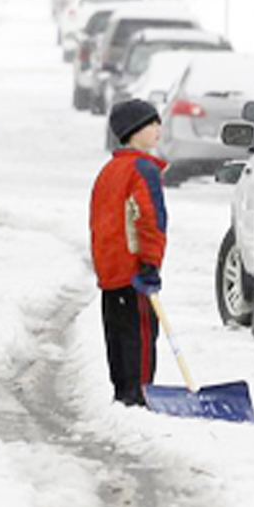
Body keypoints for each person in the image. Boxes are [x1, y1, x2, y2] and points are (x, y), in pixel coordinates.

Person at [90, 97, 169, 407]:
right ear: (136, 131)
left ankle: (123, 392)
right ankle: (140, 395)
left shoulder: (108, 171)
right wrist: (150, 264)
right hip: (136, 271)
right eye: (152, 123)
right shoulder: (142, 170)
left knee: (118, 335)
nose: (158, 129)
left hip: (111, 272)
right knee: (141, 335)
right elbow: (151, 220)